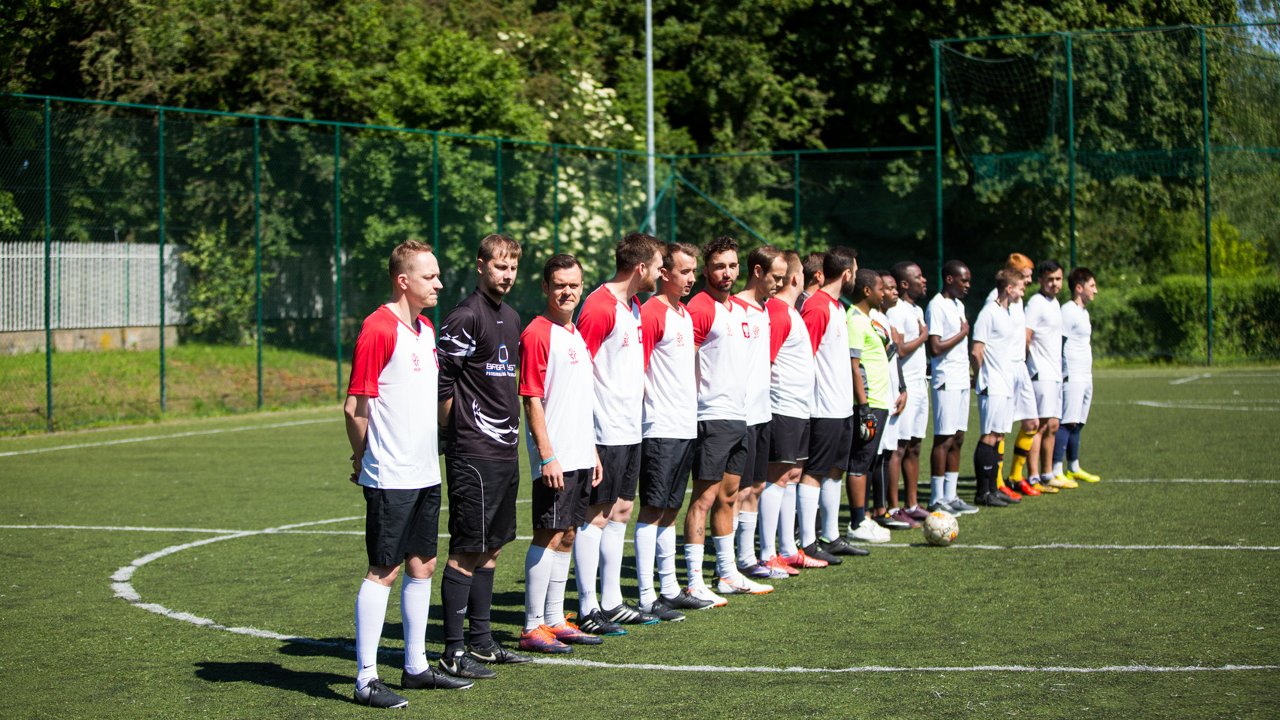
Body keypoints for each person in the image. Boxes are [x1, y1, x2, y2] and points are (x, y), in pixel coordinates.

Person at [345, 241, 472, 709]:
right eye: (429, 276)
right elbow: (355, 406)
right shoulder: (378, 328)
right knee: (385, 570)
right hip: (390, 474)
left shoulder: (424, 329)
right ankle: (365, 679)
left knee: (424, 566)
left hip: (424, 471)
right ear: (404, 281)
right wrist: (365, 461)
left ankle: (416, 667)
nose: (439, 283)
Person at [436, 234, 529, 681]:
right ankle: (452, 652)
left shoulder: (511, 317)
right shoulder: (464, 316)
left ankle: (481, 642)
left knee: (492, 548)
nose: (506, 275)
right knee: (466, 549)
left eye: (512, 267)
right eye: (499, 267)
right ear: (480, 266)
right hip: (472, 451)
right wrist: (453, 434)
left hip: (505, 451)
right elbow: (441, 386)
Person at [573, 232, 665, 633]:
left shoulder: (635, 307)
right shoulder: (597, 306)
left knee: (621, 510)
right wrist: (586, 435)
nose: (661, 275)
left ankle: (611, 601)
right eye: (659, 268)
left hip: (631, 428)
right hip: (603, 429)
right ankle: (587, 606)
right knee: (594, 516)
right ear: (641, 268)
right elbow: (579, 370)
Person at [518, 254, 608, 654]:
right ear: (546, 288)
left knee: (570, 534)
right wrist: (547, 455)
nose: (567, 291)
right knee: (549, 533)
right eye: (559, 285)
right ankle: (531, 624)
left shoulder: (575, 335)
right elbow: (532, 399)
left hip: (580, 454)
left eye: (573, 284)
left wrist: (592, 452)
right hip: (555, 458)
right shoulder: (537, 333)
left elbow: (579, 400)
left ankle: (555, 618)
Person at [684, 236, 773, 606]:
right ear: (707, 270)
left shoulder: (735, 309)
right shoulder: (700, 307)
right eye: (720, 266)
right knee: (703, 500)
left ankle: (726, 573)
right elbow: (684, 361)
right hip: (711, 416)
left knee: (730, 496)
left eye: (732, 266)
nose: (727, 273)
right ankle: (691, 581)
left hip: (740, 416)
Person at [635, 242, 715, 619]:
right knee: (652, 510)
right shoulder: (651, 312)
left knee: (670, 509)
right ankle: (647, 595)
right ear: (663, 273)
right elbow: (637, 368)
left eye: (693, 271)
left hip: (685, 425)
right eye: (684, 271)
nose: (691, 278)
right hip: (660, 427)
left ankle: (668, 588)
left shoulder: (683, 313)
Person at [800, 247, 873, 558]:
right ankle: (807, 542)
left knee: (834, 471)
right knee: (814, 473)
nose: (855, 277)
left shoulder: (837, 307)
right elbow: (804, 357)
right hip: (822, 407)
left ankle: (831, 536)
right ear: (846, 274)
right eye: (854, 271)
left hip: (840, 406)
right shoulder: (817, 307)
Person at [731, 245, 790, 581]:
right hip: (739, 415)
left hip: (762, 412)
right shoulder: (734, 308)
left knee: (755, 487)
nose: (779, 285)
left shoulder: (766, 310)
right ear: (757, 271)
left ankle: (749, 556)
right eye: (774, 277)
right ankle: (732, 561)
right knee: (736, 492)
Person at [762, 250, 822, 573]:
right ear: (797, 278)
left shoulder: (791, 311)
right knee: (779, 476)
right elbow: (766, 363)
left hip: (800, 407)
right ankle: (769, 550)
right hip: (782, 406)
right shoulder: (779, 312)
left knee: (793, 474)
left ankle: (787, 548)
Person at [845, 269, 898, 532]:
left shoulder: (869, 320)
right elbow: (854, 365)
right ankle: (857, 521)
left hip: (880, 400)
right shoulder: (854, 319)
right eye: (880, 289)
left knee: (867, 461)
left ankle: (863, 518)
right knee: (860, 462)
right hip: (869, 403)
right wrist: (864, 406)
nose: (884, 293)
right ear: (867, 291)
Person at [926, 260, 978, 516]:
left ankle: (951, 494)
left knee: (958, 437)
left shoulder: (959, 305)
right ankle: (936, 498)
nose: (967, 285)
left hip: (960, 377)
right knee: (944, 438)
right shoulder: (936, 305)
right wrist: (962, 333)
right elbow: (934, 346)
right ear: (949, 279)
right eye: (963, 280)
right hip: (945, 378)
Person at [970, 269, 1026, 507]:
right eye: (1021, 287)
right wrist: (979, 375)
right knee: (989, 435)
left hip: (1006, 383)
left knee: (999, 435)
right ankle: (982, 492)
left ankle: (994, 488)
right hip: (992, 383)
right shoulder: (989, 312)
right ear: (1009, 288)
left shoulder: (1008, 312)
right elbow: (976, 350)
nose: (1023, 291)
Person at [988, 253, 1039, 501]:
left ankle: (1016, 476)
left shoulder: (1018, 299)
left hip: (1021, 368)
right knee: (1001, 429)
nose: (1030, 280)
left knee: (1031, 423)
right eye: (1026, 275)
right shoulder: (996, 300)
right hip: (1004, 369)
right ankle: (997, 482)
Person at [886, 261, 931, 520]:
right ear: (904, 284)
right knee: (899, 447)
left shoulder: (917, 309)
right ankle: (894, 508)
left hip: (920, 383)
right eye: (918, 277)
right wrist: (924, 336)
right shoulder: (897, 310)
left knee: (915, 444)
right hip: (905, 385)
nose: (923, 280)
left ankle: (912, 504)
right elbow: (900, 350)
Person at [872, 268, 916, 529]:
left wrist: (902, 387)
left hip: (891, 393)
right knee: (878, 455)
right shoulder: (871, 319)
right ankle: (878, 509)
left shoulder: (884, 319)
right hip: (877, 394)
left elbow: (894, 357)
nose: (891, 292)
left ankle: (887, 508)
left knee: (887, 452)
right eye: (886, 288)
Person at [1053, 268, 1101, 485]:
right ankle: (1056, 469)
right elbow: (1059, 342)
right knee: (1067, 421)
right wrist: (1061, 371)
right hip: (1071, 373)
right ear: (1079, 288)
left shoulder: (1083, 312)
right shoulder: (1068, 310)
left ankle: (1073, 467)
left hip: (1085, 374)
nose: (1096, 291)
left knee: (1079, 421)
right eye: (1092, 286)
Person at [1024, 259, 1067, 492]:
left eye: (1058, 279)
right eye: (1049, 279)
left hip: (1055, 372)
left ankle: (1047, 472)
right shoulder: (1036, 303)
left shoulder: (1054, 303)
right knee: (1039, 426)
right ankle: (1032, 476)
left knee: (1053, 425)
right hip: (1041, 373)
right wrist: (1028, 364)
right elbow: (1026, 335)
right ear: (1040, 280)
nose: (1054, 283)